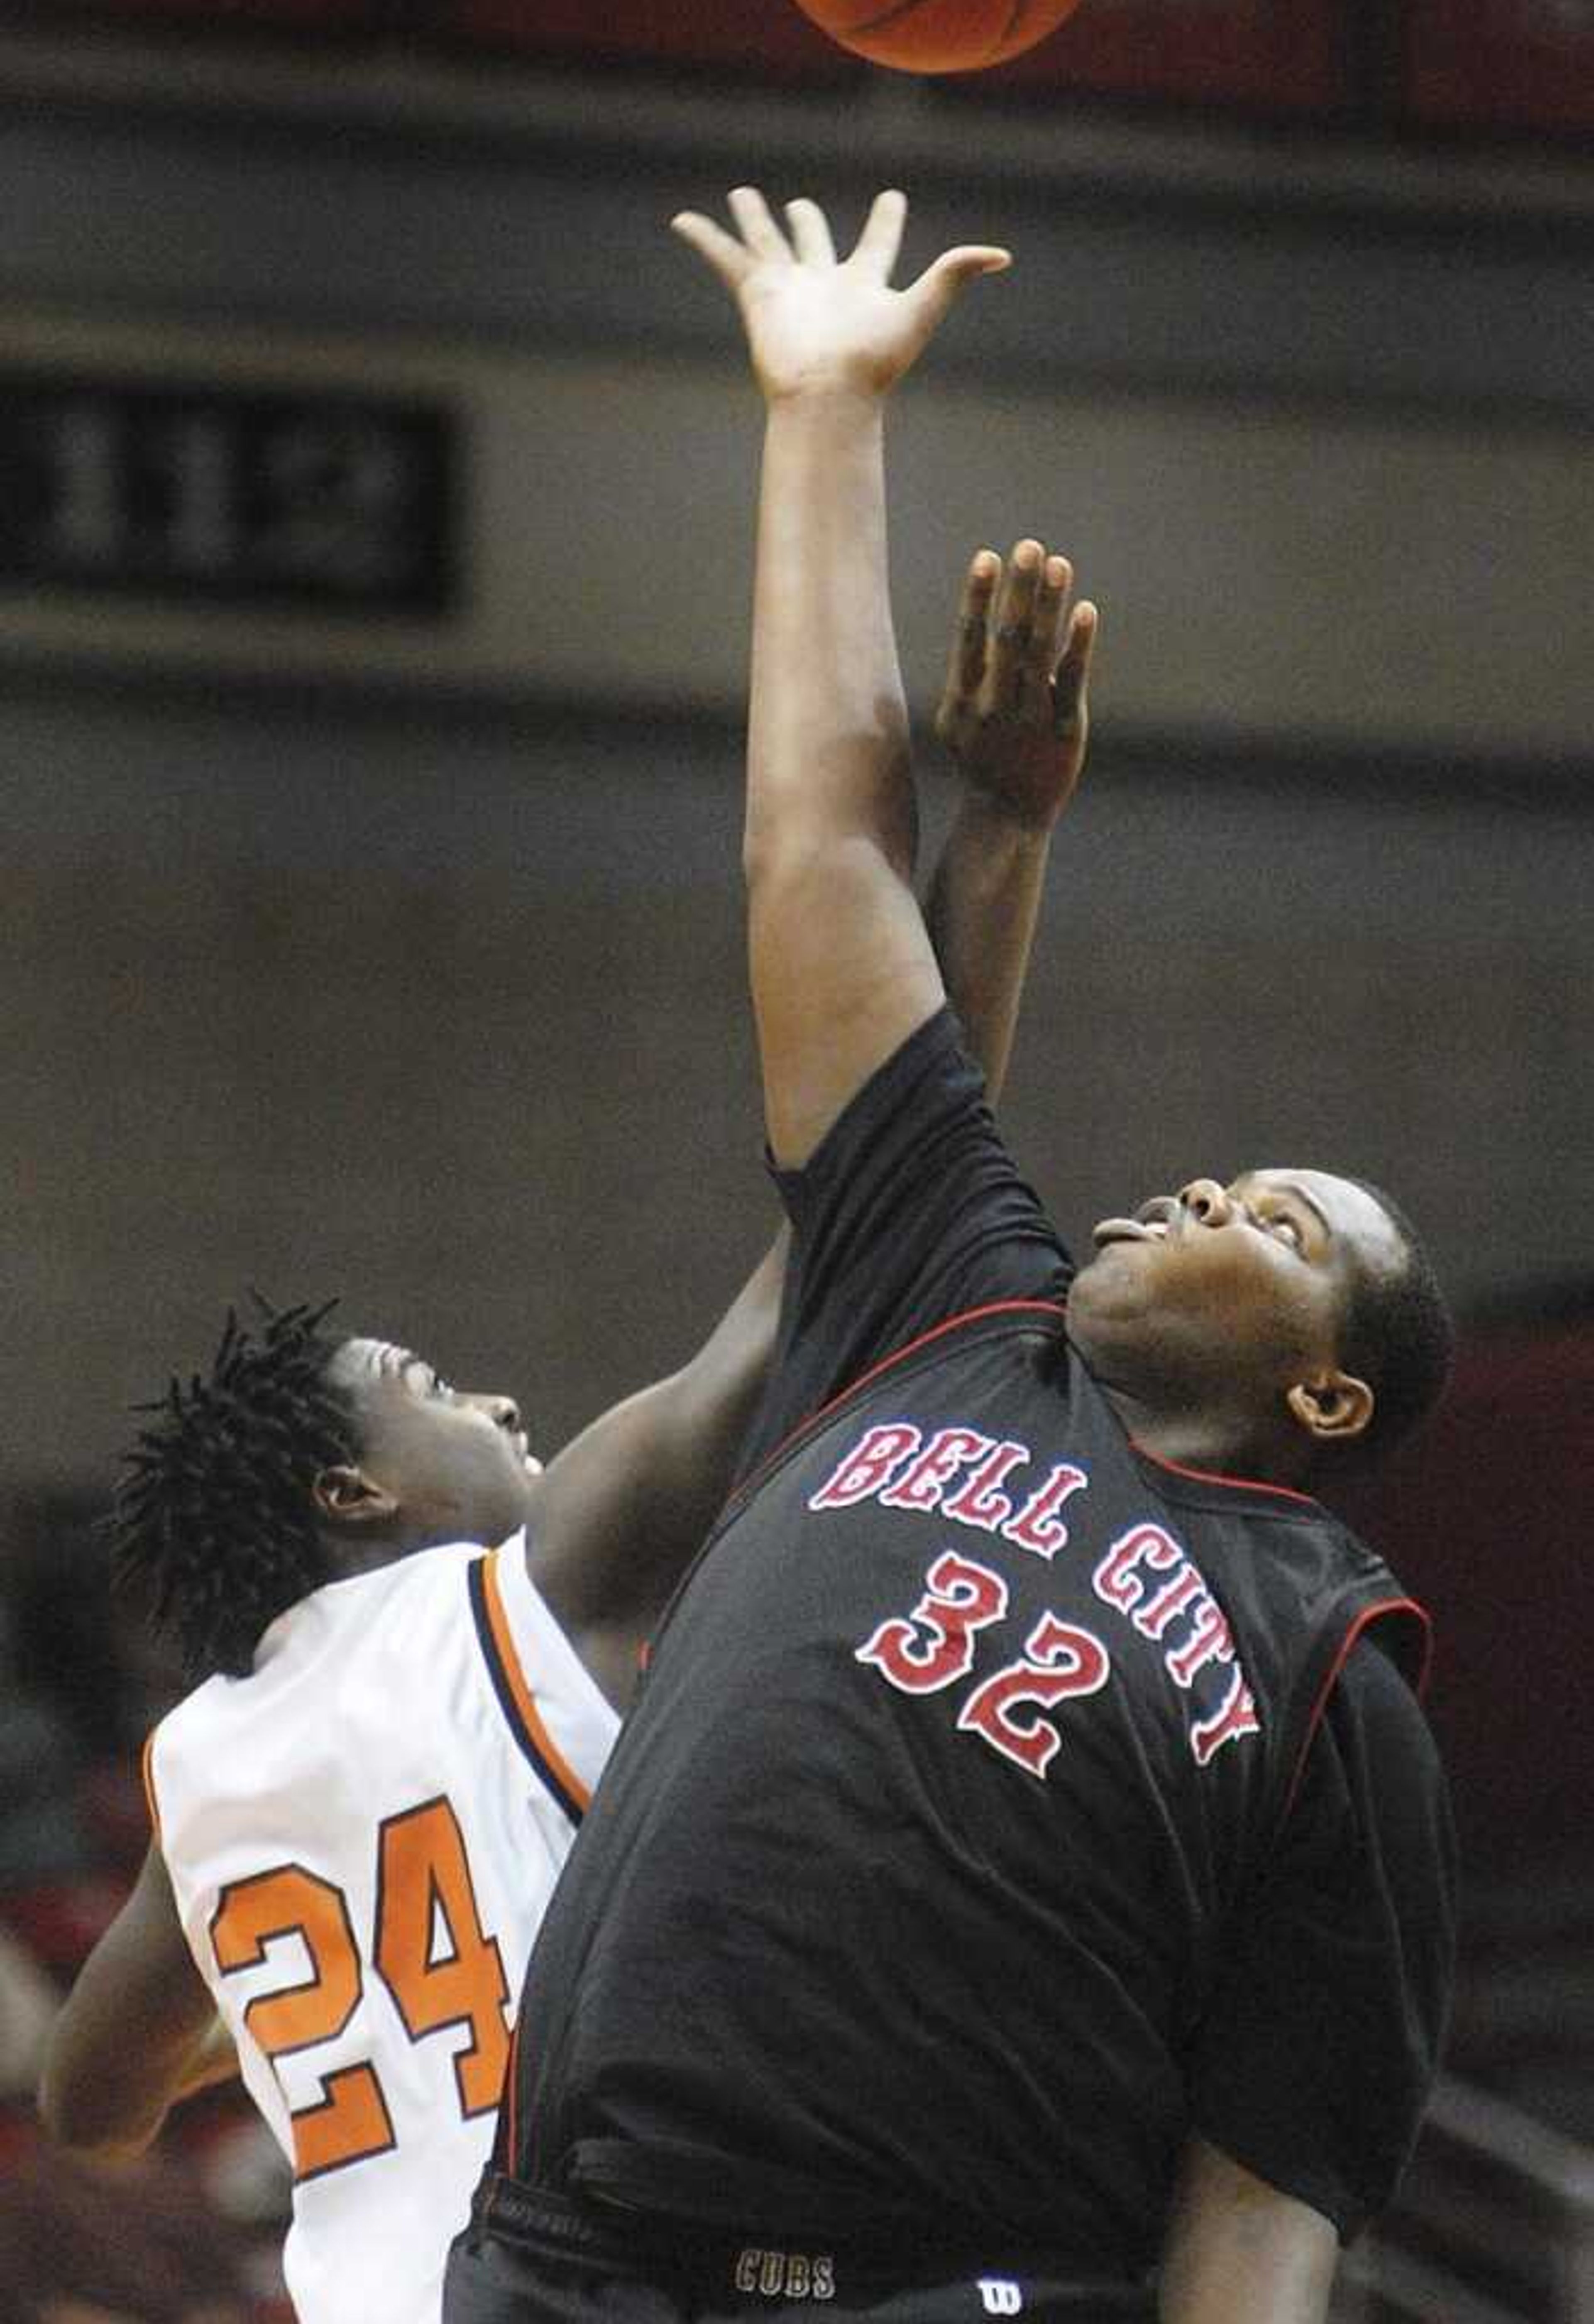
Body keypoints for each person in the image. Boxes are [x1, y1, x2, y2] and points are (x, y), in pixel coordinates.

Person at [445, 189, 1457, 2324]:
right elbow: (818, 861)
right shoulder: (948, 1327)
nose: (1195, 1193)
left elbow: (1265, 2200)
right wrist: (821, 416)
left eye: (1271, 1223)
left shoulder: (1330, 1668)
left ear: (1329, 1393)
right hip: (569, 2267)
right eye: (1214, 1176)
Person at [38, 550, 1085, 2324]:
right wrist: (1001, 824)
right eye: (438, 1392)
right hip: (619, 2281)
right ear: (353, 1490)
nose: (501, 1403)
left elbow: (89, 2102)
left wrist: (345, 2002)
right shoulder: (530, 1581)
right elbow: (867, 1222)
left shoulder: (203, 1771)